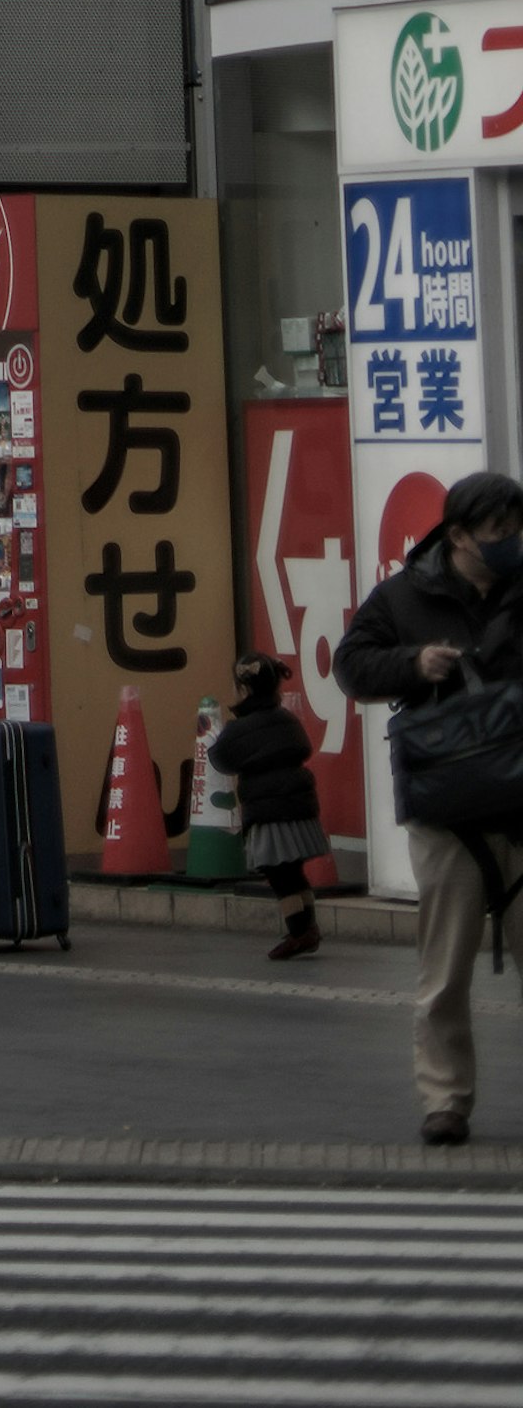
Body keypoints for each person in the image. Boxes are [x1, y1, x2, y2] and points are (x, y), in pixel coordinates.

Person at [339, 466, 523, 1139]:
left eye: (516, 530)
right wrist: (412, 665)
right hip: (446, 809)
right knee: (444, 970)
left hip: (520, 802)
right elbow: (351, 666)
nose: (510, 543)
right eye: (497, 532)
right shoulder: (403, 596)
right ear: (458, 535)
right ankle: (446, 1099)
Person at [211, 653, 326, 961]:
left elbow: (221, 758)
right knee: (294, 869)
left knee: (278, 872)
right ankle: (308, 928)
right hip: (299, 803)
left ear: (244, 690)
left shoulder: (241, 728)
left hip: (268, 809)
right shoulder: (287, 718)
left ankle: (300, 932)